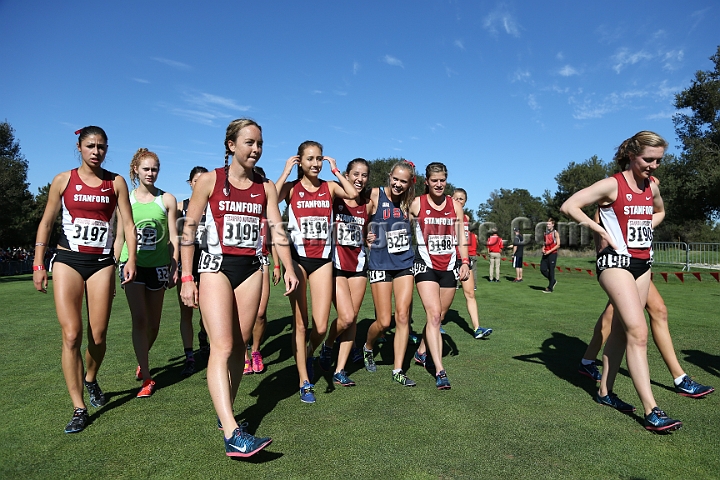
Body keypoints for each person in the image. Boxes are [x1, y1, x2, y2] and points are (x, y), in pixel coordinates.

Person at [180, 118, 298, 457]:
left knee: (239, 347)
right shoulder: (208, 180)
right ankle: (233, 433)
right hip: (215, 267)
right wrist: (187, 277)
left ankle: (226, 414)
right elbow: (188, 231)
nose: (256, 149)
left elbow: (277, 229)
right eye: (249, 142)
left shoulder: (266, 186)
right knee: (222, 345)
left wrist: (288, 268)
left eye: (260, 143)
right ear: (231, 145)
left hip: (251, 269)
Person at [561, 130, 682, 432]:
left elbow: (660, 210)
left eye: (658, 161)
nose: (654, 166)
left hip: (643, 263)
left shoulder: (651, 186)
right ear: (632, 154)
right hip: (615, 263)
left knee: (618, 331)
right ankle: (652, 410)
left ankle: (604, 391)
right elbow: (569, 205)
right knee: (638, 332)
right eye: (648, 160)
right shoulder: (612, 185)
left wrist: (645, 224)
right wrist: (599, 230)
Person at [32, 126, 137, 433]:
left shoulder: (115, 182)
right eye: (90, 146)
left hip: (102, 263)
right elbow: (47, 222)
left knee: (99, 336)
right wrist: (39, 264)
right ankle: (78, 406)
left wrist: (131, 258)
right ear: (79, 147)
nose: (96, 151)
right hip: (67, 260)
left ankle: (90, 378)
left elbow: (128, 224)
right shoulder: (63, 180)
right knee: (71, 335)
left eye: (101, 147)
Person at [276, 141, 358, 403]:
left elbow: (352, 195)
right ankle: (304, 381)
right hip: (298, 260)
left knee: (320, 326)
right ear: (300, 161)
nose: (315, 163)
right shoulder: (291, 188)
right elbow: (272, 198)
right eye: (310, 159)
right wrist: (285, 173)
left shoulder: (329, 187)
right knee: (300, 324)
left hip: (322, 261)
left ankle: (309, 353)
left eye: (319, 158)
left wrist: (336, 171)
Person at [114, 148, 179, 398]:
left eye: (154, 169)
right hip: (131, 265)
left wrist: (174, 265)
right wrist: (115, 264)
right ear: (136, 171)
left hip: (159, 265)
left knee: (154, 325)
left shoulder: (167, 200)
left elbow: (173, 236)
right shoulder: (126, 200)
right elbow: (120, 235)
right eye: (146, 169)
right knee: (139, 319)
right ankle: (148, 378)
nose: (151, 173)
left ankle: (143, 359)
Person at [408, 163, 470, 389]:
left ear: (446, 180)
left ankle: (421, 351)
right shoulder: (417, 204)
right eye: (434, 180)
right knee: (433, 315)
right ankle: (440, 369)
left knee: (439, 316)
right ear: (427, 181)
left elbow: (461, 237)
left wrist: (465, 262)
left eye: (442, 180)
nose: (438, 184)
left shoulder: (455, 206)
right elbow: (396, 221)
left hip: (449, 267)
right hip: (425, 265)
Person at [318, 158, 372, 386]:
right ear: (347, 176)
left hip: (358, 267)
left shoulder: (368, 204)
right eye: (356, 174)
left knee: (352, 320)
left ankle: (340, 370)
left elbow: (367, 229)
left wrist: (370, 237)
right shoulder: (335, 198)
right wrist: (336, 172)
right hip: (336, 267)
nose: (360, 179)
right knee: (346, 317)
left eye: (364, 175)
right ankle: (328, 343)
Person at [362, 160, 417, 386]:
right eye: (395, 179)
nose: (398, 184)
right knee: (384, 322)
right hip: (380, 263)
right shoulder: (375, 195)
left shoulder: (410, 203)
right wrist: (365, 233)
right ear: (389, 176)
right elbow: (359, 216)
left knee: (402, 316)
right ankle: (367, 346)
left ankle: (398, 370)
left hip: (404, 263)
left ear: (410, 183)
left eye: (403, 181)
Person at [243, 166, 280, 375]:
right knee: (241, 315)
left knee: (259, 313)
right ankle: (243, 354)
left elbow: (274, 240)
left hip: (261, 261)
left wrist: (277, 265)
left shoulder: (267, 209)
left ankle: (255, 350)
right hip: (239, 263)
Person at [176, 166, 209, 377]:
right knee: (186, 312)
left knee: (208, 312)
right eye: (196, 181)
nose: (200, 184)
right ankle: (189, 355)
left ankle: (205, 337)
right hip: (187, 265)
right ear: (190, 183)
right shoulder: (181, 207)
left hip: (208, 266)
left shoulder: (214, 206)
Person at [451, 188, 492, 339]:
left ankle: (477, 328)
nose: (458, 201)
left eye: (461, 199)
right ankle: (437, 325)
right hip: (449, 260)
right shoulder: (448, 215)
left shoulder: (466, 217)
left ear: (465, 201)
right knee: (444, 298)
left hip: (464, 260)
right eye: (456, 198)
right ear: (451, 198)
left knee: (470, 293)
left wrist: (466, 259)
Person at [540, 218, 560, 293]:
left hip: (552, 254)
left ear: (553, 224)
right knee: (543, 269)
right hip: (545, 253)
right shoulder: (545, 233)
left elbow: (558, 245)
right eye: (547, 224)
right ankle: (553, 281)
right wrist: (543, 249)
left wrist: (549, 251)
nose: (548, 225)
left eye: (549, 224)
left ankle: (550, 287)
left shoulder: (555, 233)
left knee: (551, 270)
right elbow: (544, 243)